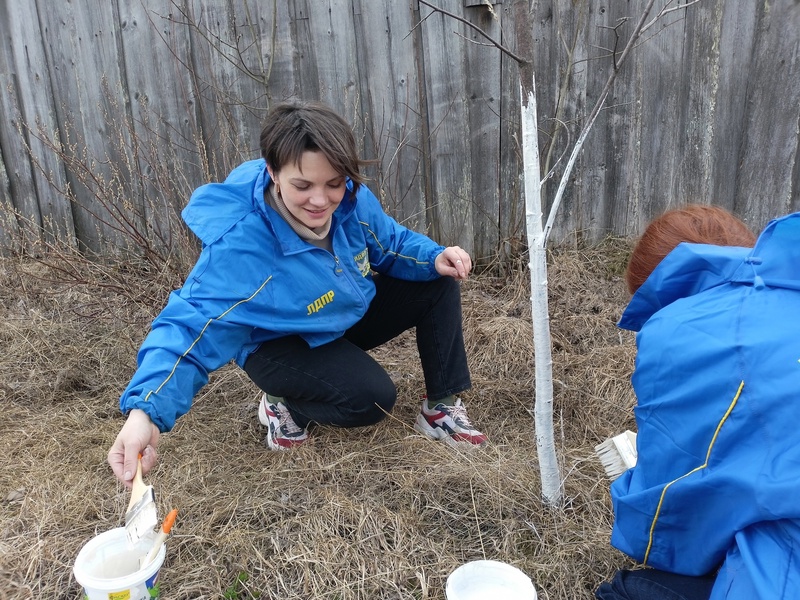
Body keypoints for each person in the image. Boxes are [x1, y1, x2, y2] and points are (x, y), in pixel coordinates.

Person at [108, 100, 487, 485]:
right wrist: (145, 415)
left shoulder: (350, 199)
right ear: (273, 172)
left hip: (334, 312)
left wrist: (433, 256)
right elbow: (189, 328)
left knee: (437, 280)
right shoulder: (242, 248)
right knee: (371, 400)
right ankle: (284, 405)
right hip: (277, 344)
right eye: (303, 186)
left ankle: (441, 407)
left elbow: (387, 240)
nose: (320, 201)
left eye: (333, 184)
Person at [596, 204, 800, 600]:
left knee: (624, 592)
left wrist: (641, 479)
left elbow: (666, 523)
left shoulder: (678, 331)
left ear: (650, 289)